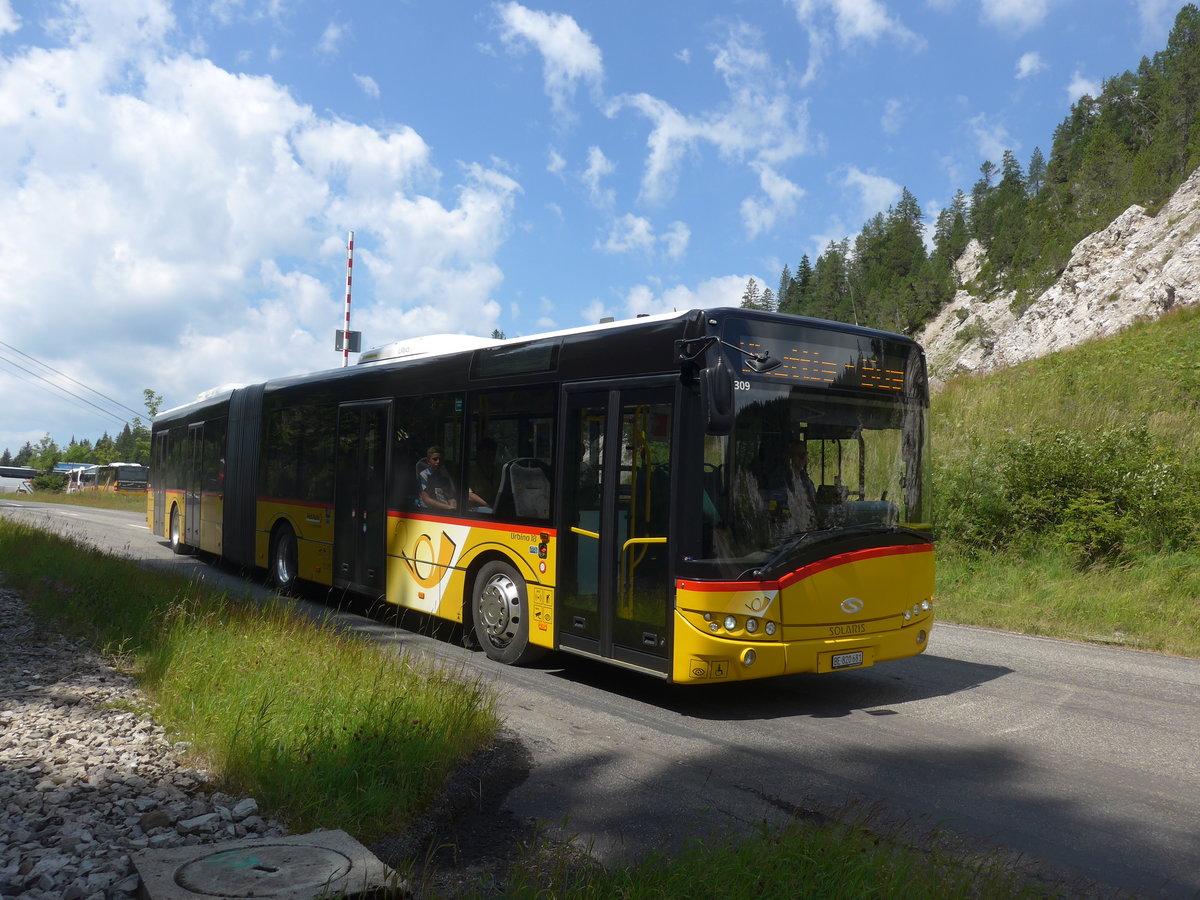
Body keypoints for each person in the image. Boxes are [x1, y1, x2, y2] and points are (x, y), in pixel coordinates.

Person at [418, 445, 458, 511]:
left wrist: (453, 503)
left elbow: (450, 496)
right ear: (428, 461)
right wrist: (448, 507)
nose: (438, 462)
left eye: (440, 459)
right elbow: (426, 499)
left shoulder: (444, 475)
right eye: (435, 459)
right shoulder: (424, 475)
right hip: (429, 511)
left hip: (444, 510)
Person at [468, 437, 500, 510]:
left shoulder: (499, 469)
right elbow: (469, 495)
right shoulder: (472, 471)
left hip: (495, 505)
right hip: (476, 507)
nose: (490, 456)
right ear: (479, 453)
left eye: (493, 453)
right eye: (487, 453)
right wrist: (488, 505)